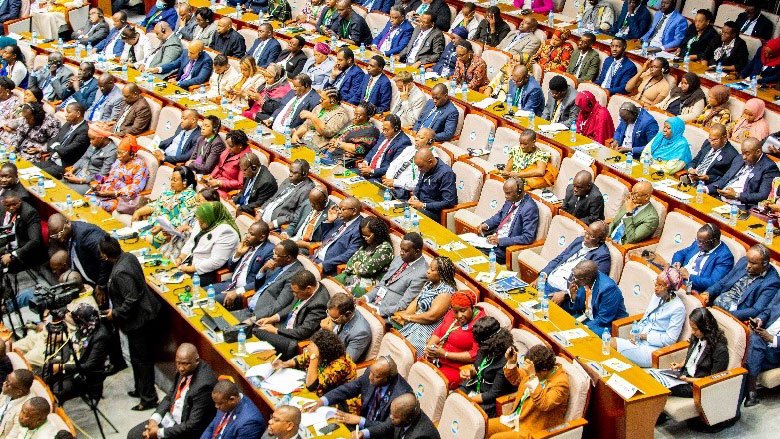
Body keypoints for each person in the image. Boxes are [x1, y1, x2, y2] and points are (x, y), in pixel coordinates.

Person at [99, 236, 161, 410]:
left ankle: (148, 398)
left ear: (105, 255)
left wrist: (115, 313)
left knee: (142, 360)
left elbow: (131, 298)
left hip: (139, 320)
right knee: (136, 358)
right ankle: (139, 389)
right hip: (138, 318)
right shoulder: (128, 257)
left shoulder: (121, 273)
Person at [306, 356, 413, 437]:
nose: (370, 378)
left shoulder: (401, 395)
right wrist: (321, 401)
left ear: (388, 378)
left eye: (376, 377)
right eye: (370, 373)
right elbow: (348, 389)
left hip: (379, 434)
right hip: (359, 426)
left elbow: (388, 427)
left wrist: (360, 422)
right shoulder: (371, 373)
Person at [127, 343, 217, 437]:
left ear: (197, 360)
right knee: (133, 435)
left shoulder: (204, 385)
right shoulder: (184, 369)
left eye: (185, 364)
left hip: (184, 431)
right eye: (178, 363)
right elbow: (170, 397)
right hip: (170, 419)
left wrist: (159, 432)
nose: (181, 368)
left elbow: (192, 425)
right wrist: (154, 421)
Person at [486, 345, 569, 439]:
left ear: (544, 371)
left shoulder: (561, 383)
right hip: (515, 419)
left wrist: (532, 376)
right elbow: (517, 378)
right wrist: (511, 362)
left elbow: (544, 404)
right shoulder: (535, 370)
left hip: (533, 430)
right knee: (483, 427)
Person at [612, 267, 687, 367]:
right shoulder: (656, 296)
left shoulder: (678, 308)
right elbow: (645, 318)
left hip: (653, 350)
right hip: (638, 341)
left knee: (610, 344)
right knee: (608, 346)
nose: (656, 288)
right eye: (656, 283)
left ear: (669, 288)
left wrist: (644, 336)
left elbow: (670, 340)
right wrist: (635, 332)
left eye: (661, 285)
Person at [274, 329, 359, 412]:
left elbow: (312, 386)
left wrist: (314, 357)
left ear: (323, 351)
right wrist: (285, 364)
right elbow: (300, 360)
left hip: (340, 404)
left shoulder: (341, 365)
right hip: (320, 395)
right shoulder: (322, 353)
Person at [253, 270, 329, 359]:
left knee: (255, 331)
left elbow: (303, 332)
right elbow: (291, 307)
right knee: (256, 324)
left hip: (292, 342)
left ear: (308, 289)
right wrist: (273, 318)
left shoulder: (319, 304)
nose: (294, 295)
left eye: (296, 293)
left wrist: (275, 330)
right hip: (284, 328)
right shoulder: (306, 290)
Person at [701, 244, 780, 321]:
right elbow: (723, 282)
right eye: (748, 260)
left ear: (765, 264)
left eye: (753, 263)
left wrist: (728, 315)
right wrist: (708, 292)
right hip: (715, 304)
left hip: (735, 315)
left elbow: (756, 310)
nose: (748, 265)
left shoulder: (772, 282)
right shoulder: (743, 261)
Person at [425, 290, 485, 389]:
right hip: (438, 357)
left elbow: (474, 355)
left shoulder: (481, 325)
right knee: (418, 370)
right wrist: (429, 347)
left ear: (472, 308)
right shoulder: (452, 313)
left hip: (458, 368)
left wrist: (445, 354)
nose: (459, 316)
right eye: (456, 311)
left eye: (463, 310)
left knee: (432, 383)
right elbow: (439, 331)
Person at [52, 303, 110, 403]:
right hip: (74, 364)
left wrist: (62, 367)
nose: (70, 318)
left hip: (87, 376)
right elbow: (70, 344)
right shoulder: (84, 326)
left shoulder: (100, 337)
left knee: (57, 391)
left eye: (74, 317)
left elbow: (89, 366)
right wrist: (57, 360)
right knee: (45, 374)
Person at [359, 231, 428, 316]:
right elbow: (383, 283)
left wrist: (378, 311)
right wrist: (366, 298)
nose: (401, 253)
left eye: (405, 251)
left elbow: (403, 305)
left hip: (387, 313)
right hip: (374, 302)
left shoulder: (422, 273)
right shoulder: (400, 259)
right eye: (401, 249)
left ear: (417, 252)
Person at [666, 308, 728, 398]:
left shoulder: (720, 350)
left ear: (706, 328)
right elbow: (694, 356)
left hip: (696, 386)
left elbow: (713, 381)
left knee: (659, 386)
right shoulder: (697, 336)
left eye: (695, 329)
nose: (692, 332)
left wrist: (688, 379)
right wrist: (681, 364)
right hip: (684, 375)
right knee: (653, 377)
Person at [235, 239, 303, 319]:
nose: (273, 257)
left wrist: (255, 318)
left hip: (260, 316)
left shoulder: (296, 274)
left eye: (277, 255)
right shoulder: (277, 263)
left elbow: (280, 304)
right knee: (219, 320)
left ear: (288, 258)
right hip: (248, 310)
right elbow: (258, 287)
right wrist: (263, 270)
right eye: (274, 252)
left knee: (225, 328)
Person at [459, 318, 514, 417]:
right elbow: (479, 368)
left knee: (465, 413)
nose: (479, 346)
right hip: (476, 386)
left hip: (490, 400)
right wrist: (471, 372)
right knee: (453, 398)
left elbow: (494, 394)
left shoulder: (506, 360)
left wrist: (468, 399)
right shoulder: (485, 348)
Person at [132, 166, 197, 247]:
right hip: (152, 225)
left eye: (175, 180)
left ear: (185, 182)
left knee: (138, 241)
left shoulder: (191, 197)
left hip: (168, 232)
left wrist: (162, 226)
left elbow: (181, 221)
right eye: (171, 179)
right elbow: (156, 205)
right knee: (130, 235)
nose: (172, 182)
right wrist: (138, 212)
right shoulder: (171, 191)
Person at [177, 202, 241, 286]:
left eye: (202, 221)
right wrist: (180, 258)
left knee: (179, 287)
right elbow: (191, 242)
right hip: (191, 262)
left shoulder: (227, 233)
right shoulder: (202, 221)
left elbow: (216, 261)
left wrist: (190, 269)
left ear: (212, 218)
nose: (199, 223)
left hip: (207, 272)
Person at [706, 137, 780, 209]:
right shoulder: (739, 158)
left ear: (758, 152)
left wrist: (737, 195)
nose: (744, 157)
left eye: (747, 154)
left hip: (740, 206)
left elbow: (763, 195)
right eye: (743, 153)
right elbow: (725, 179)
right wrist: (706, 189)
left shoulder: (769, 167)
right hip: (721, 199)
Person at [478, 178, 538, 264]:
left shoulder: (530, 208)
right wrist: (486, 224)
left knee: (476, 254)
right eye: (505, 193)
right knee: (467, 245)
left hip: (504, 249)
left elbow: (527, 237)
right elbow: (500, 215)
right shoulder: (511, 199)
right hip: (493, 240)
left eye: (508, 193)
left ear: (519, 192)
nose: (506, 196)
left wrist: (500, 241)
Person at [542, 220, 611, 295]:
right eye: (587, 232)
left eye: (591, 236)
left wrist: (565, 294)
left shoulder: (602, 256)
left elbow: (593, 285)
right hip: (547, 281)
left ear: (600, 240)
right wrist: (543, 274)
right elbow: (560, 258)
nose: (586, 236)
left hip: (561, 293)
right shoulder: (579, 240)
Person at [211, 220, 274, 301]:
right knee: (202, 292)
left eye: (251, 234)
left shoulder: (269, 251)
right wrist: (238, 253)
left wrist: (237, 291)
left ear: (261, 238)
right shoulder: (248, 245)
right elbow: (230, 267)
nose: (247, 236)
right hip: (230, 284)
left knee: (210, 301)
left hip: (244, 291)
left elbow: (262, 280)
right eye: (248, 232)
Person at [559, 260, 628, 334]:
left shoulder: (608, 289)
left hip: (606, 326)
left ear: (587, 279)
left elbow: (604, 319)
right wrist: (573, 297)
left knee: (576, 336)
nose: (574, 280)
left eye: (576, 278)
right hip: (587, 317)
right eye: (573, 275)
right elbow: (578, 309)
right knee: (561, 324)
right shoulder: (584, 281)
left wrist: (583, 327)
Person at [334, 217, 394, 295]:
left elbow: (365, 271)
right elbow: (350, 262)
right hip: (355, 276)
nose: (365, 238)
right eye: (363, 235)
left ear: (377, 233)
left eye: (368, 235)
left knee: (345, 292)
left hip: (371, 282)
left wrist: (357, 265)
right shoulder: (368, 244)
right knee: (336, 281)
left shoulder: (385, 248)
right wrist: (357, 267)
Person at [91, 135, 150, 213]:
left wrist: (114, 193)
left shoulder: (140, 165)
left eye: (121, 153)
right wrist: (98, 184)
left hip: (121, 199)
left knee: (97, 205)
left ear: (131, 153)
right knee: (87, 199)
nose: (118, 155)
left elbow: (136, 187)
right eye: (118, 152)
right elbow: (110, 176)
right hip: (105, 193)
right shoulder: (119, 161)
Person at [671, 223, 735, 293]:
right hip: (678, 276)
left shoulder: (725, 257)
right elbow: (679, 253)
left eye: (701, 242)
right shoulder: (700, 242)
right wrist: (677, 262)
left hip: (693, 287)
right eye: (698, 240)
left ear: (714, 241)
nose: (698, 244)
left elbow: (713, 282)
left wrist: (689, 276)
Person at [313, 196, 363, 275]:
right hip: (315, 257)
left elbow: (349, 255)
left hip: (329, 268)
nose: (339, 212)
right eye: (339, 208)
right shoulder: (340, 219)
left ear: (354, 211)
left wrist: (324, 265)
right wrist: (329, 222)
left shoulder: (360, 229)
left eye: (342, 209)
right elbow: (324, 240)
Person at [259, 159, 316, 229]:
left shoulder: (307, 190)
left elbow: (298, 215)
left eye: (295, 173)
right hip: (262, 217)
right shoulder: (289, 180)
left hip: (275, 225)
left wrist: (276, 223)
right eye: (290, 171)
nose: (290, 175)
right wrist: (261, 210)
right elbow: (273, 198)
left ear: (304, 175)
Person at [201, 380, 266, 438]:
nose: (216, 406)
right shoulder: (224, 402)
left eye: (219, 404)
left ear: (232, 399)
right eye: (215, 403)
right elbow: (211, 428)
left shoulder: (250, 423)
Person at [382, 128, 437, 199]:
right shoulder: (409, 149)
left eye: (421, 137)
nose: (416, 139)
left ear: (430, 141)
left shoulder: (430, 160)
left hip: (405, 190)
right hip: (390, 183)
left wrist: (395, 183)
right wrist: (389, 180)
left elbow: (419, 184)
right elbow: (394, 164)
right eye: (416, 136)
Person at [324, 101, 380, 166]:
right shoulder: (352, 122)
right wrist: (333, 140)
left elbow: (360, 150)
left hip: (344, 160)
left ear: (368, 116)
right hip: (330, 152)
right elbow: (339, 134)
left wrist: (339, 144)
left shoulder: (371, 131)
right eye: (355, 114)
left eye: (359, 115)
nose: (355, 117)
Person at [359, 114, 413, 180]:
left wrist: (372, 171)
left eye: (386, 130)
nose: (384, 132)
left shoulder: (404, 142)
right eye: (383, 129)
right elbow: (373, 150)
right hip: (367, 170)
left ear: (396, 129)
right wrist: (365, 162)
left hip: (379, 176)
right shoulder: (384, 134)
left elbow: (394, 166)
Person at [409, 147, 457, 221]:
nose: (419, 169)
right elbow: (419, 184)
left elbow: (449, 202)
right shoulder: (425, 167)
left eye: (420, 167)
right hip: (421, 204)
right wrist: (414, 197)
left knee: (412, 217)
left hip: (435, 211)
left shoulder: (446, 174)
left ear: (430, 162)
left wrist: (423, 205)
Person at [0, 194, 44, 273]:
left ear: (20, 202)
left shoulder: (29, 213)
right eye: (8, 205)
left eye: (14, 204)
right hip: (6, 245)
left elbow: (35, 241)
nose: (11, 208)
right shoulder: (2, 208)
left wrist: (13, 255)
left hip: (24, 252)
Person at [321, 293, 371, 362]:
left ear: (348, 314)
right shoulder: (335, 314)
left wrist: (329, 335)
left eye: (334, 318)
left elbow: (345, 362)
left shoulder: (361, 333)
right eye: (328, 314)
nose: (330, 319)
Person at [608, 180, 659, 245]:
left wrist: (629, 213)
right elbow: (615, 222)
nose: (632, 197)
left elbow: (632, 238)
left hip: (622, 246)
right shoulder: (630, 201)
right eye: (632, 193)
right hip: (608, 239)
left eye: (636, 194)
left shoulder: (651, 218)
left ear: (647, 197)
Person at [203, 129, 250, 197]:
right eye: (227, 145)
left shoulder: (246, 159)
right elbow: (218, 166)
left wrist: (220, 183)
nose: (228, 148)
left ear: (240, 146)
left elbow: (240, 184)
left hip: (227, 189)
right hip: (216, 181)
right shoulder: (229, 150)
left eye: (231, 146)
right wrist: (211, 176)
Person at [0, 369, 34, 436]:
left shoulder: (24, 411)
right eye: (6, 379)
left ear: (18, 392)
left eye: (7, 383)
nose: (4, 383)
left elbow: (12, 436)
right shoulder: (9, 391)